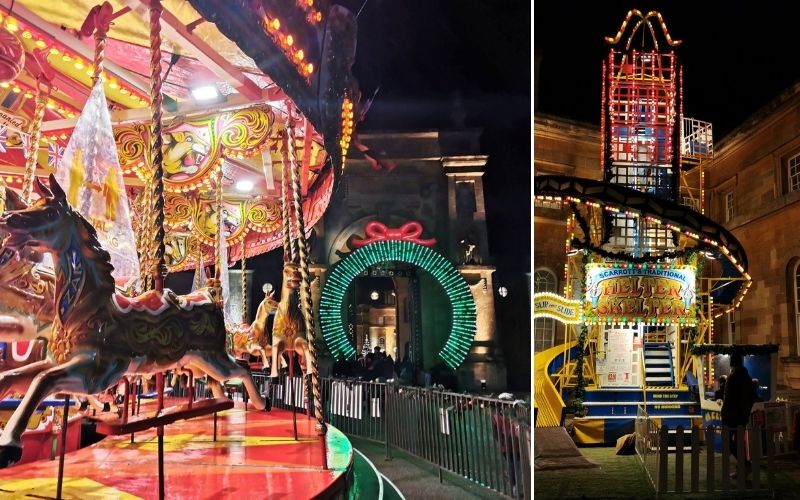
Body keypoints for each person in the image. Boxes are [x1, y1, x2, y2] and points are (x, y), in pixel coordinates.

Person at [721, 353, 757, 473]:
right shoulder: (748, 378)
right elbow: (753, 397)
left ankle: (744, 464)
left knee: (727, 440)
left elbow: (728, 398)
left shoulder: (732, 378)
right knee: (739, 441)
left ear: (732, 364)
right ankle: (743, 466)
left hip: (731, 416)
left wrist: (724, 413)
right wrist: (745, 411)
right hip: (742, 416)